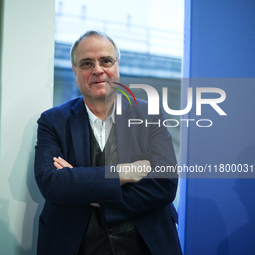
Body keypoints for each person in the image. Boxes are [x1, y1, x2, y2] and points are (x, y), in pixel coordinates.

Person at [34, 30, 182, 255]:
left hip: (145, 244)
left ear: (117, 67)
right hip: (76, 245)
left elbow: (165, 184)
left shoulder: (150, 113)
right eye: (86, 63)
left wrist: (90, 193)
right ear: (75, 72)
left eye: (106, 61)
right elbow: (52, 184)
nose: (98, 70)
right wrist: (124, 173)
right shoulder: (52, 121)